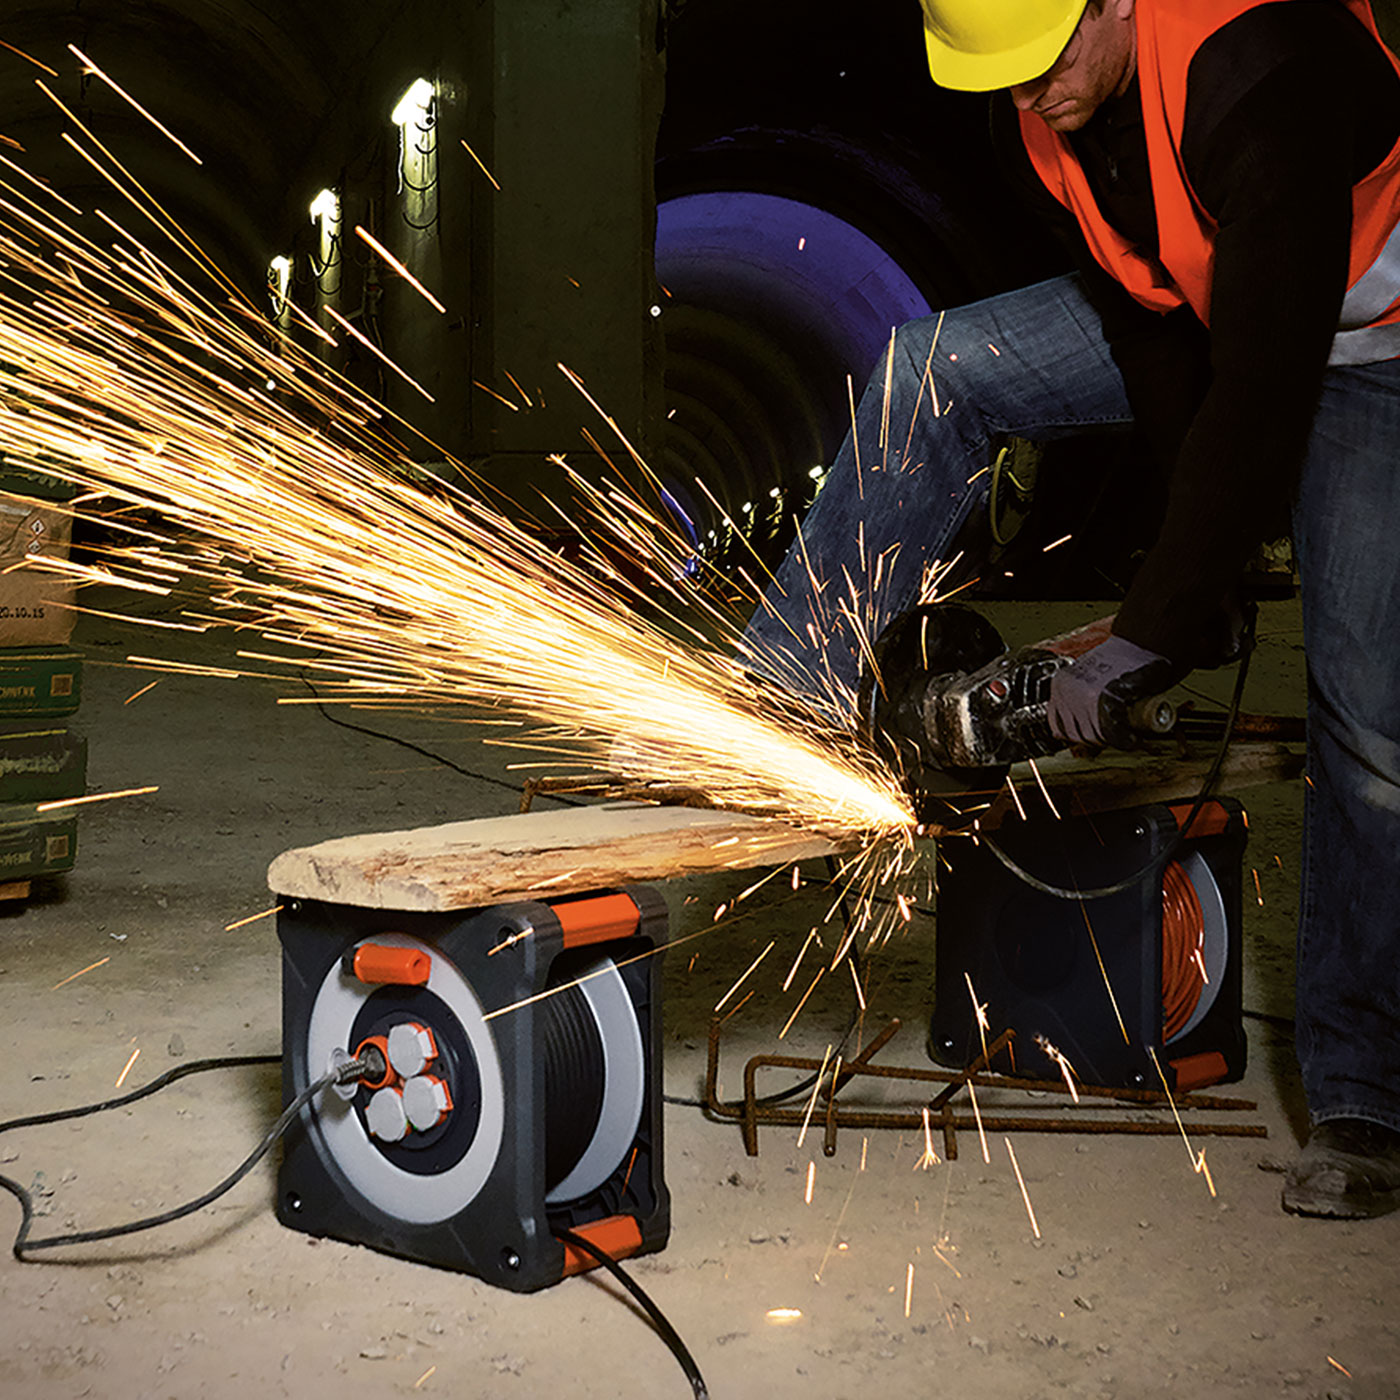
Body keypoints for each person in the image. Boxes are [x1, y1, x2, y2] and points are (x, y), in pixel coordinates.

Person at [740, 0, 1400, 1218]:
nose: (1026, 95)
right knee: (930, 370)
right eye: (1002, 76)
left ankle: (1363, 1100)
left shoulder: (1263, 72)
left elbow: (1262, 386)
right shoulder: (1040, 107)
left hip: (1371, 335)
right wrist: (1173, 603)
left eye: (1042, 63)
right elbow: (1160, 346)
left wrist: (1162, 615)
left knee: (1369, 729)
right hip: (1210, 312)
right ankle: (778, 692)